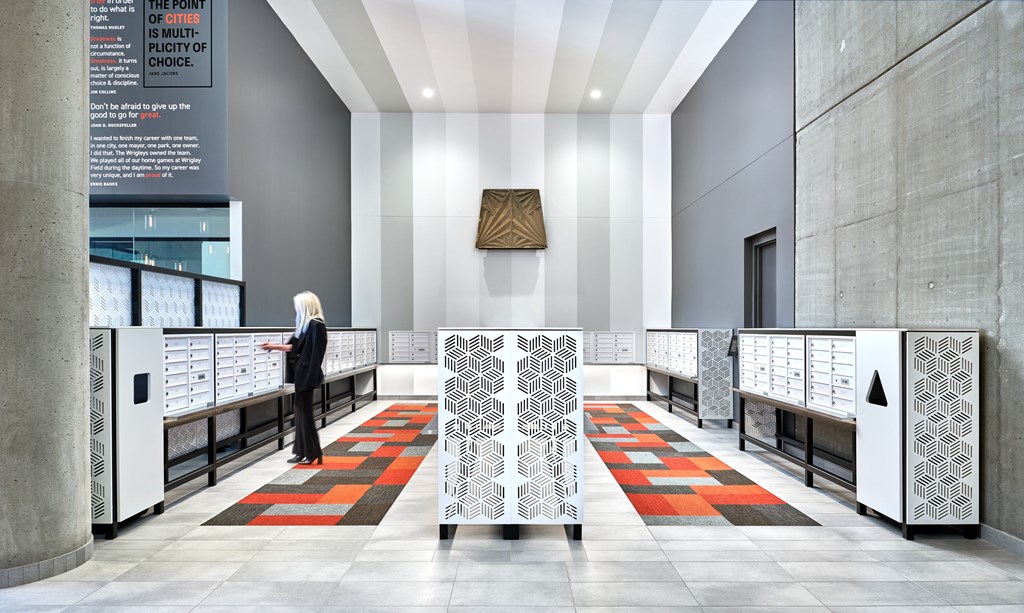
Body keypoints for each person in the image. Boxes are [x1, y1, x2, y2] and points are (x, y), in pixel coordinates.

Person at [262, 291, 328, 465]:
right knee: (299, 415)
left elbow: (317, 355)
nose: (295, 310)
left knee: (305, 415)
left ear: (305, 306)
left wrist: (310, 378)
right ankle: (302, 451)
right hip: (301, 375)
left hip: (307, 376)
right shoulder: (306, 326)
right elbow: (295, 347)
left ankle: (312, 452)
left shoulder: (316, 325)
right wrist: (274, 346)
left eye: (298, 307)